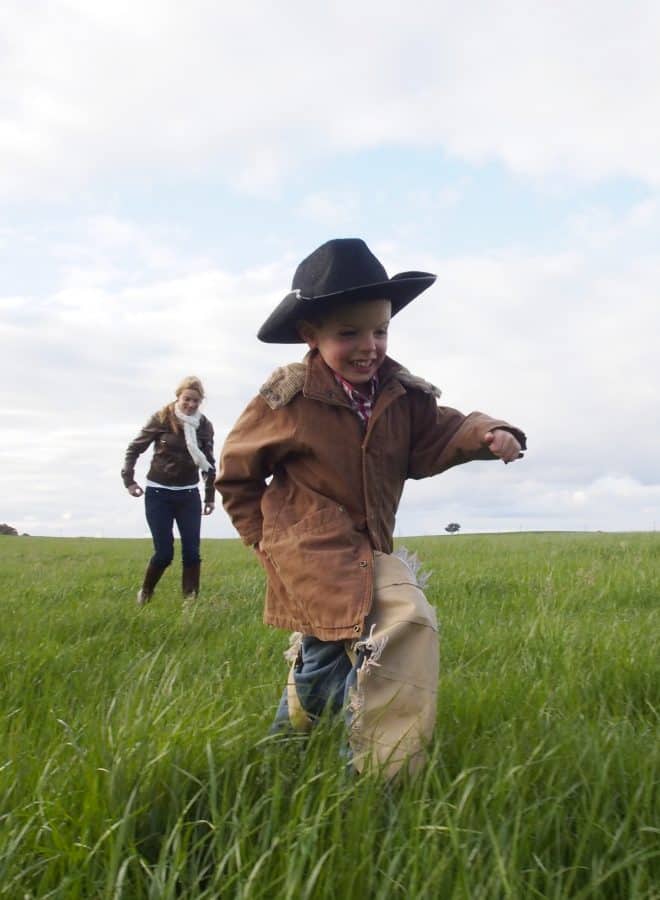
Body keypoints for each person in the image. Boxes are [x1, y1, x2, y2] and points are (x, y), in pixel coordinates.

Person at [216, 238, 526, 777]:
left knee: (327, 659)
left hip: (366, 548)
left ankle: (284, 747)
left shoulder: (402, 396)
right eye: (348, 333)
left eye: (380, 330)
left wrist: (487, 433)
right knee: (405, 618)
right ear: (311, 336)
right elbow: (236, 474)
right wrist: (264, 541)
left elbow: (440, 432)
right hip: (308, 551)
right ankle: (378, 773)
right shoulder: (288, 398)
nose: (369, 346)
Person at [122, 376, 216, 605]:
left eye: (196, 401)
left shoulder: (204, 426)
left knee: (192, 553)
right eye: (187, 399)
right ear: (178, 397)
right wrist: (129, 480)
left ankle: (189, 604)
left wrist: (209, 496)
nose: (191, 405)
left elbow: (209, 462)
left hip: (188, 495)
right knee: (164, 553)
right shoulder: (162, 418)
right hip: (158, 493)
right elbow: (135, 448)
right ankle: (145, 593)